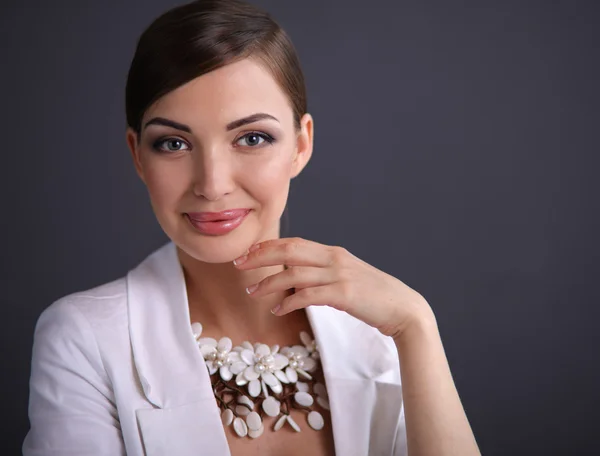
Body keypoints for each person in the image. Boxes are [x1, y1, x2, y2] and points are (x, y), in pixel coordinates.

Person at [23, 1, 480, 455]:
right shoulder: (83, 339)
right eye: (174, 143)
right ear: (137, 154)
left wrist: (417, 325)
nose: (212, 185)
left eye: (251, 138)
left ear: (301, 145)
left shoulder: (379, 330)